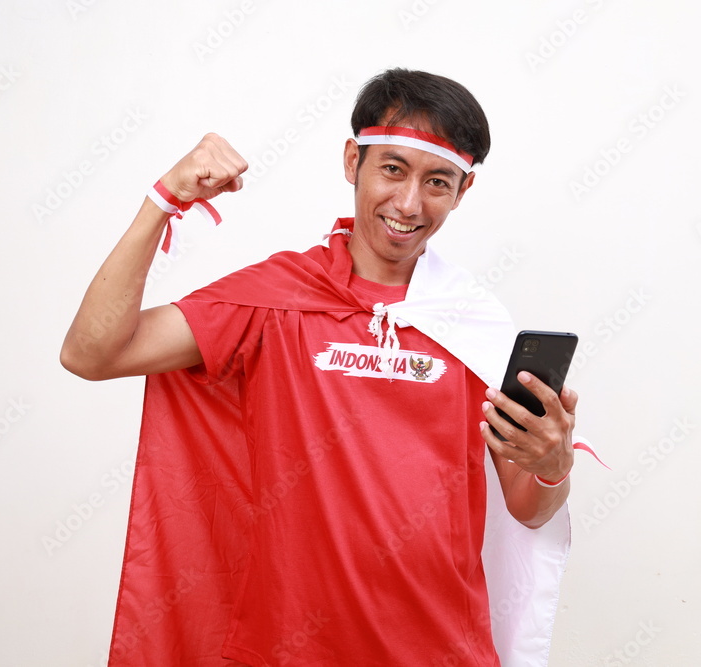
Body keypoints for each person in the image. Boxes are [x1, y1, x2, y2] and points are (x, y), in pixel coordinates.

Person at [61, 68, 579, 667]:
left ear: (462, 191)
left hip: (439, 651)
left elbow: (527, 507)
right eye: (391, 169)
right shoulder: (275, 299)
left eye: (437, 181)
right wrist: (163, 201)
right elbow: (91, 352)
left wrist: (551, 470)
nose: (409, 203)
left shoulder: (472, 326)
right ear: (351, 161)